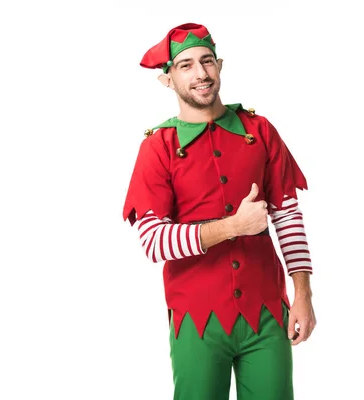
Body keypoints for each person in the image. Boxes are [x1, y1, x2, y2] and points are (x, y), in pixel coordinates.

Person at [122, 22, 316, 400]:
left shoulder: (259, 131)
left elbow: (289, 216)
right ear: (168, 80)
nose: (200, 74)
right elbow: (153, 241)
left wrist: (303, 294)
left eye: (207, 61)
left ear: (220, 65)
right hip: (197, 319)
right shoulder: (157, 147)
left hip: (266, 314)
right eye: (186, 65)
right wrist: (233, 226)